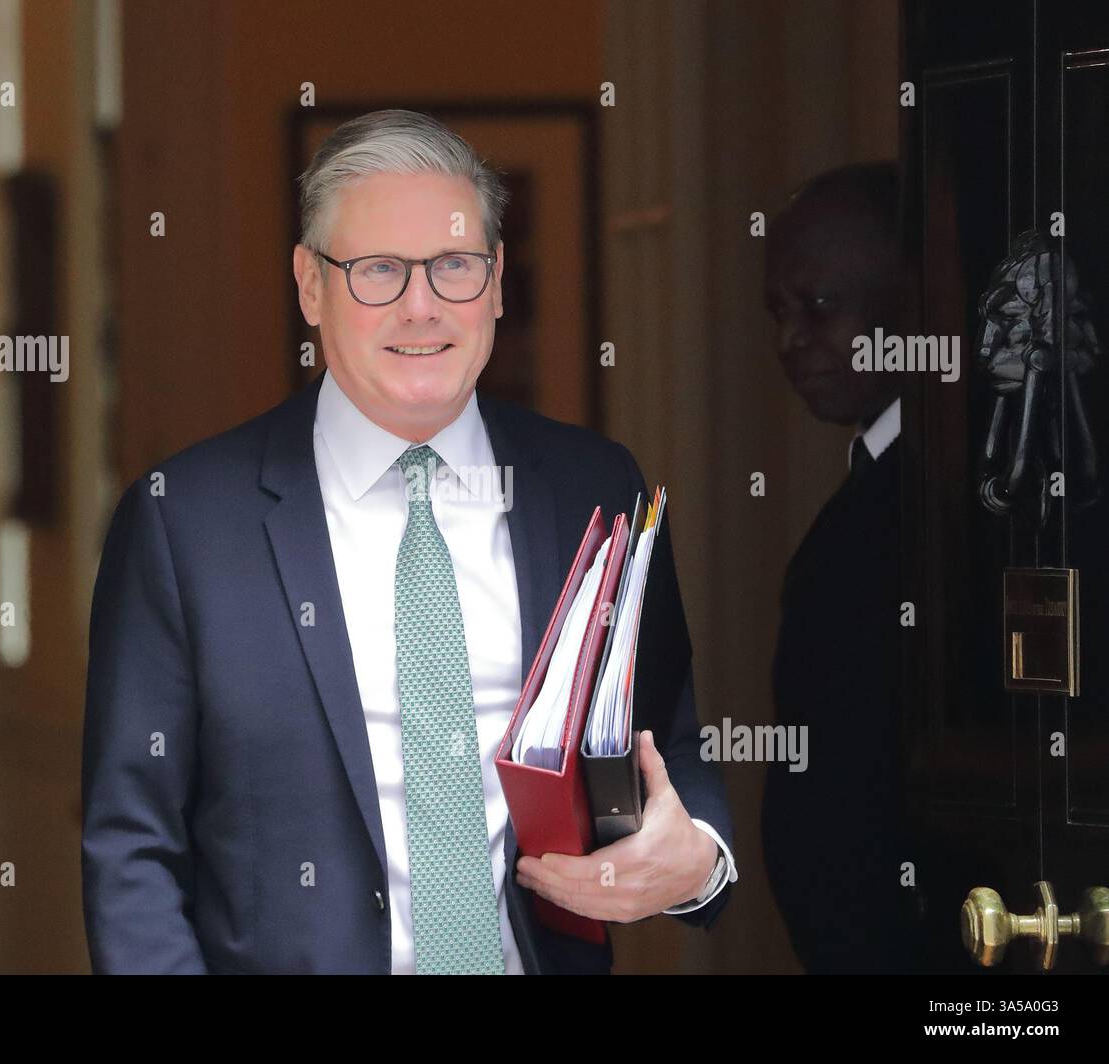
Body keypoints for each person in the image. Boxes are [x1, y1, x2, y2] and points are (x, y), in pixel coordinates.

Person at [82, 109, 734, 975]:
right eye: (378, 270)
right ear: (310, 286)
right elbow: (132, 849)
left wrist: (700, 861)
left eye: (455, 266)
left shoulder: (591, 489)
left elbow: (668, 738)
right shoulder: (183, 522)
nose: (421, 307)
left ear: (498, 281)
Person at [760, 162, 919, 972]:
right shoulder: (881, 489)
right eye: (779, 312)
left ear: (913, 297)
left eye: (819, 305)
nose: (791, 340)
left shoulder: (935, 503)